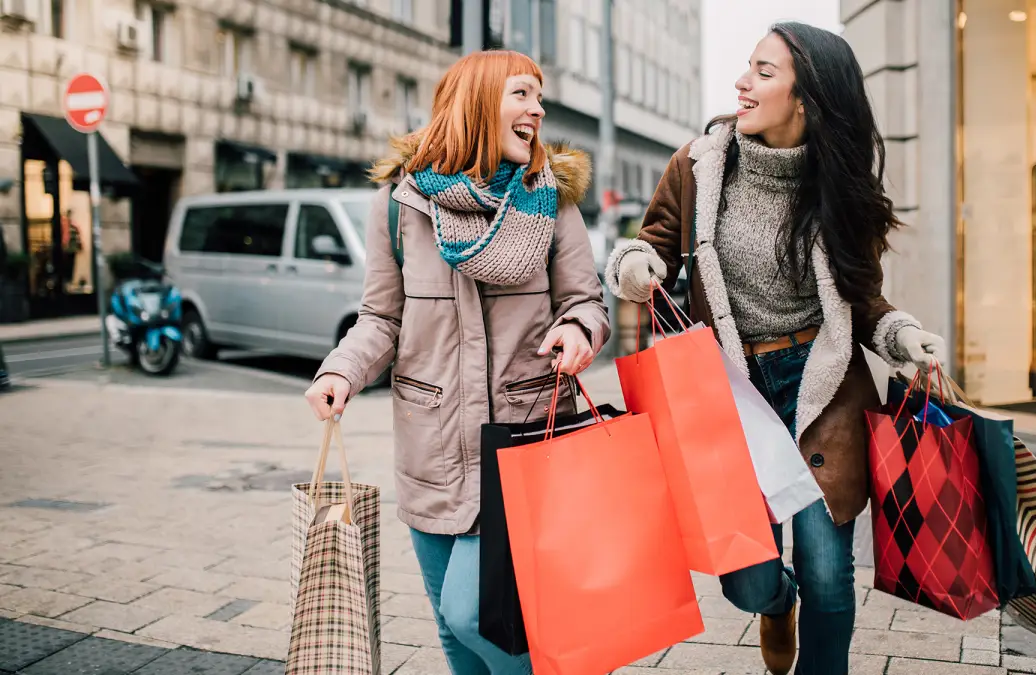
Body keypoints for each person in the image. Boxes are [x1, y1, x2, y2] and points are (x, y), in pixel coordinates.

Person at [606, 22, 947, 675]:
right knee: (745, 575)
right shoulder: (698, 165)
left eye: (764, 71)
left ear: (807, 98)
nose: (743, 82)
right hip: (728, 388)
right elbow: (652, 243)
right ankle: (774, 601)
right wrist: (634, 265)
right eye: (748, 67)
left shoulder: (840, 188)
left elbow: (863, 299)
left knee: (827, 571)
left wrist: (904, 336)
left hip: (820, 388)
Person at [304, 50, 609, 675]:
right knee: (450, 626)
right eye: (523, 94)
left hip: (523, 441)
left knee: (474, 613)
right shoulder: (400, 203)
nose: (538, 110)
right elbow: (381, 318)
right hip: (430, 443)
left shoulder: (552, 198)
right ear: (478, 102)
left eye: (539, 97)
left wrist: (578, 329)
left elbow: (585, 300)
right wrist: (340, 369)